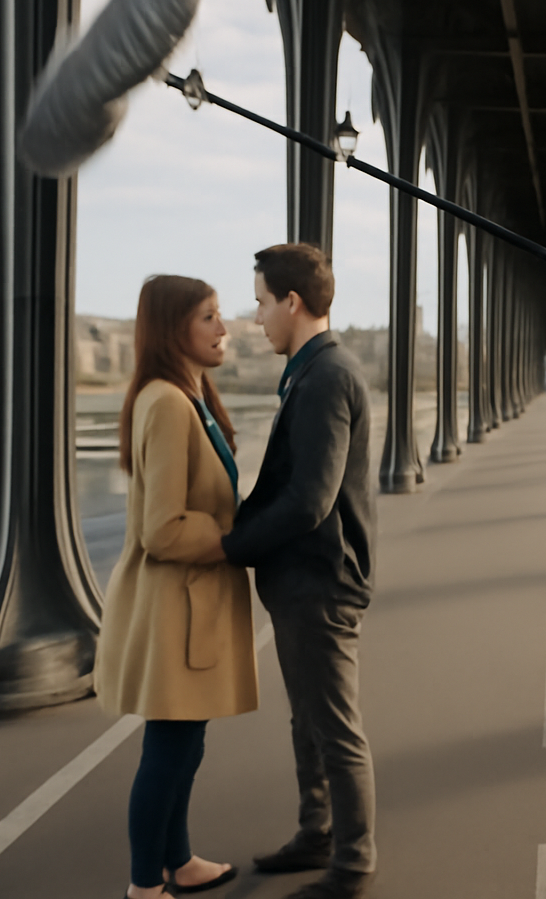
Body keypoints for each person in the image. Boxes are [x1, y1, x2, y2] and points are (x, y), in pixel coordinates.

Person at [215, 243, 377, 899]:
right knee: (309, 719)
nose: (255, 320)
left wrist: (231, 546)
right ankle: (318, 833)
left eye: (260, 303)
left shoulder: (327, 377)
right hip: (306, 581)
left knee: (334, 726)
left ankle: (353, 863)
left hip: (320, 582)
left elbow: (312, 498)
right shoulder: (314, 372)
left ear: (292, 301)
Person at [97, 276, 257, 899]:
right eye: (209, 317)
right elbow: (161, 527)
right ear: (174, 330)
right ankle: (144, 887)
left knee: (183, 743)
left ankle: (178, 860)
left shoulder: (187, 395)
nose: (225, 328)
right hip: (175, 607)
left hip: (189, 605)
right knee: (169, 749)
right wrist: (234, 539)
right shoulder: (166, 402)